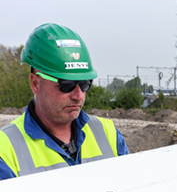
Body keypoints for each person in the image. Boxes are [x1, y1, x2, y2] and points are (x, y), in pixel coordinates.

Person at [0, 23, 129, 180]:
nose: (78, 95)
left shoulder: (108, 134)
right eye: (66, 85)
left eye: (84, 83)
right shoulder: (5, 149)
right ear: (36, 83)